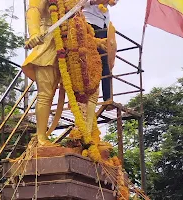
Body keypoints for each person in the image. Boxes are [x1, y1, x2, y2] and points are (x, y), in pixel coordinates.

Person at [23, 0, 101, 146]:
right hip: (49, 42)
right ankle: (41, 138)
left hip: (73, 47)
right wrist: (34, 33)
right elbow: (34, 10)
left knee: (91, 90)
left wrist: (95, 41)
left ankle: (87, 135)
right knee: (46, 93)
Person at [83, 0, 118, 110]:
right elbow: (81, 3)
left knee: (105, 61)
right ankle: (85, 97)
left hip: (104, 24)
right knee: (89, 61)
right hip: (88, 22)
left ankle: (107, 98)